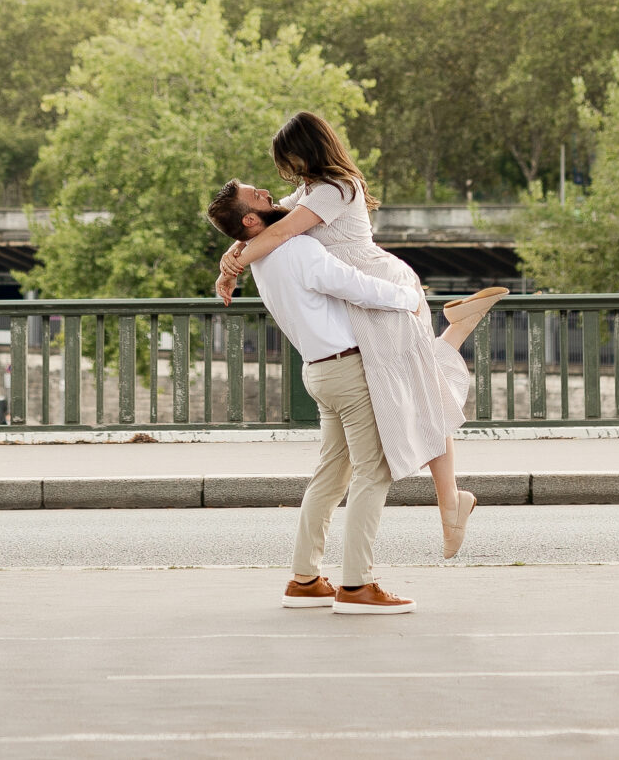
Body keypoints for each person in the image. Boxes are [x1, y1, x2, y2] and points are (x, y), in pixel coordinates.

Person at [210, 111, 507, 556]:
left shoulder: (335, 189)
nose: (284, 171)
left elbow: (279, 228)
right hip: (362, 300)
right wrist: (231, 257)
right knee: (420, 386)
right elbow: (264, 221)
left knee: (421, 391)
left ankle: (450, 504)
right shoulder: (311, 189)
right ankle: (457, 332)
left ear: (305, 150)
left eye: (287, 158)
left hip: (379, 290)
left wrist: (234, 265)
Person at [208, 185, 426, 614]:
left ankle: (305, 579)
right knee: (373, 473)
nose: (270, 193)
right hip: (346, 369)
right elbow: (353, 285)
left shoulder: (264, 259)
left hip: (319, 371)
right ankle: (357, 585)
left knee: (330, 477)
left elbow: (291, 213)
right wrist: (409, 298)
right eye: (259, 196)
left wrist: (230, 262)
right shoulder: (295, 250)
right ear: (251, 220)